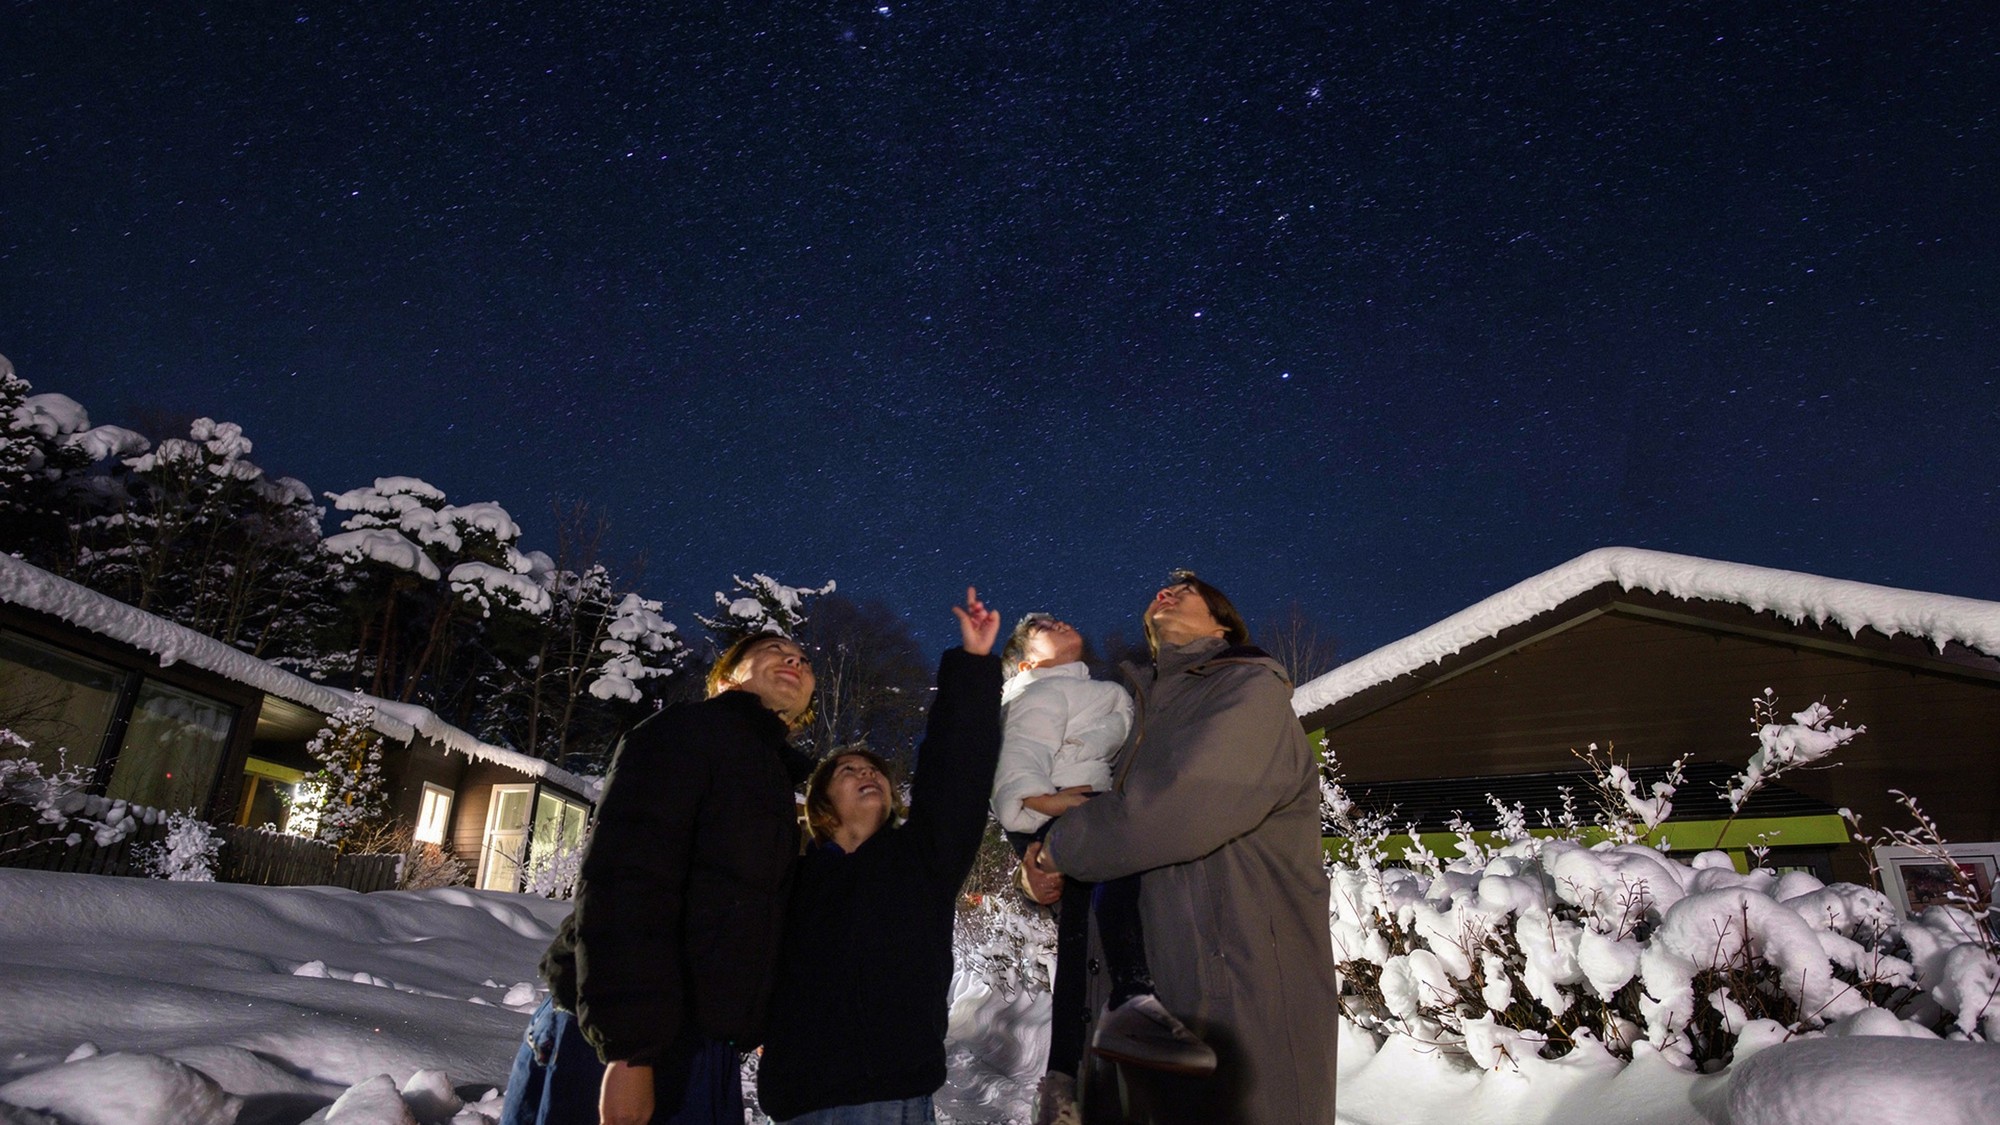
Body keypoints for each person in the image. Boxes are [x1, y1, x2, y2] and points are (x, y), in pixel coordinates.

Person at [1027, 572, 1339, 1124]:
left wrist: (1060, 848)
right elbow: (1105, 843)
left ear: (1223, 622)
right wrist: (1038, 876)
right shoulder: (1138, 722)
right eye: (1159, 591)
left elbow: (1169, 813)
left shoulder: (1248, 690)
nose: (1164, 592)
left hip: (1233, 1008)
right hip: (1143, 1024)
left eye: (1186, 590)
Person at [502, 632, 817, 1125]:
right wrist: (628, 1051)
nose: (795, 659)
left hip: (696, 1040)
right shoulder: (684, 733)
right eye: (775, 650)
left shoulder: (769, 772)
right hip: (625, 1039)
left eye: (803, 659)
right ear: (726, 675)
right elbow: (628, 882)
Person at [754, 587, 1004, 1124]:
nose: (867, 773)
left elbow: (955, 772)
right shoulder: (792, 875)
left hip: (889, 1093)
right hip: (800, 1096)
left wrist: (973, 667)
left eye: (875, 772)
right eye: (848, 770)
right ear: (822, 802)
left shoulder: (921, 859)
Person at [988, 614, 1211, 1125]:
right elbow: (1018, 764)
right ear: (1028, 663)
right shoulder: (1037, 693)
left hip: (1085, 813)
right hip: (1072, 816)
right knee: (1110, 888)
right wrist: (1054, 803)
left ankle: (1062, 1075)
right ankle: (1132, 996)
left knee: (1076, 946)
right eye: (1041, 625)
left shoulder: (1094, 689)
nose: (1058, 619)